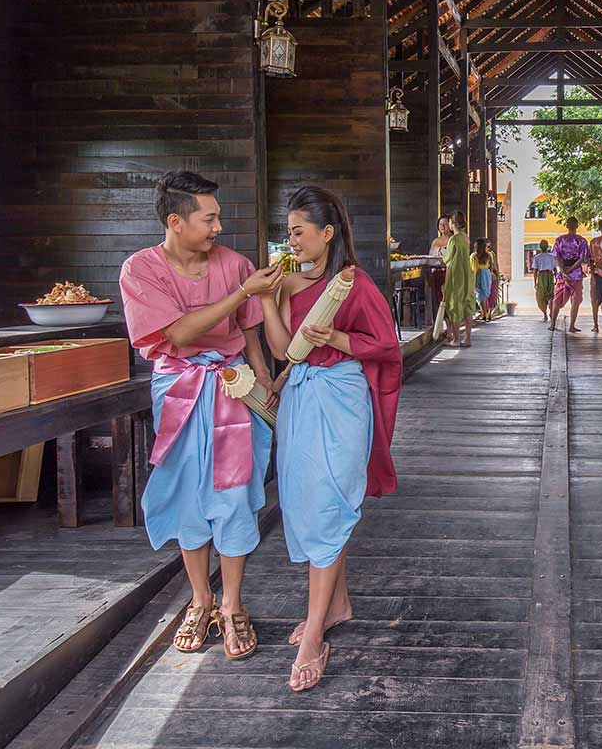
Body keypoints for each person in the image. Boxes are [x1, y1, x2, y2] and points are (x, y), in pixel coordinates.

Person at [118, 171, 281, 661]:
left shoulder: (234, 265)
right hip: (181, 386)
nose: (217, 227)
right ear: (176, 220)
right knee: (190, 495)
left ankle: (231, 603)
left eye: (218, 216)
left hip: (234, 387)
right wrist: (240, 294)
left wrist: (266, 383)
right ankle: (200, 598)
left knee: (235, 494)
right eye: (208, 218)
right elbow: (183, 335)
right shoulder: (140, 269)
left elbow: (250, 333)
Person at [258, 185, 402, 691]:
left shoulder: (353, 283)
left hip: (341, 395)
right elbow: (282, 351)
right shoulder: (286, 284)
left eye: (300, 231)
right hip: (300, 394)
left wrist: (337, 338)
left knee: (330, 503)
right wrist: (268, 301)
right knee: (303, 499)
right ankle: (336, 605)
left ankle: (315, 631)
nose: (292, 240)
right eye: (289, 231)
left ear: (327, 233)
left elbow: (385, 342)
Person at [550, 217, 592, 333]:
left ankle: (553, 324)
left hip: (563, 273)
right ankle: (571, 326)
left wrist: (563, 270)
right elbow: (582, 259)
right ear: (577, 226)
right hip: (576, 274)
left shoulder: (559, 240)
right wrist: (571, 269)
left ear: (567, 226)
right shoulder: (582, 241)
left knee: (557, 298)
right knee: (576, 300)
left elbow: (556, 257)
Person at [441, 210, 477, 347]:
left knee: (454, 305)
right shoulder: (465, 237)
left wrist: (441, 257)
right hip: (467, 273)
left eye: (449, 221)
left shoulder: (454, 239)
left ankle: (456, 339)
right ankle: (467, 338)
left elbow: (448, 259)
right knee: (467, 305)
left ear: (453, 223)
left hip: (456, 274)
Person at [471, 237, 497, 322]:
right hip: (486, 275)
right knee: (484, 294)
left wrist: (472, 279)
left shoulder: (474, 256)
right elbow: (491, 267)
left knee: (479, 295)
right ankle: (484, 313)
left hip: (478, 274)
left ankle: (483, 313)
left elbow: (472, 268)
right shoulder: (489, 255)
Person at [530, 240, 557, 321]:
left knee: (542, 296)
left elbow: (535, 271)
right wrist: (557, 278)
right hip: (548, 276)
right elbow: (555, 269)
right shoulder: (551, 256)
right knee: (548, 295)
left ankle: (547, 314)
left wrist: (535, 282)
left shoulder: (537, 257)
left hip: (543, 276)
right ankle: (548, 313)